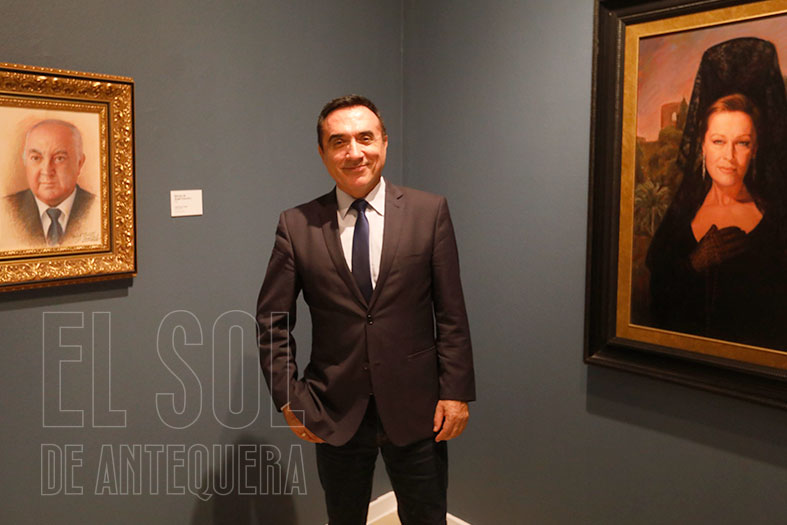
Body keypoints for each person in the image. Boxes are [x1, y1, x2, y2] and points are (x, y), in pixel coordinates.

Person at [257, 94, 475, 524]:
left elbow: (451, 311)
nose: (354, 152)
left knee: (427, 517)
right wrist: (288, 398)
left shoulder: (429, 212)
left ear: (384, 143)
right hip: (333, 408)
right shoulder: (296, 225)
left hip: (419, 408)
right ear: (322, 153)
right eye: (338, 142)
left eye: (365, 138)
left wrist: (455, 392)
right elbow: (272, 320)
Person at [646, 38, 787, 350]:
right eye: (719, 141)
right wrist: (693, 264)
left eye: (742, 143)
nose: (729, 157)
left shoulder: (777, 222)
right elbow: (657, 305)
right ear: (702, 144)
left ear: (756, 149)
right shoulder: (680, 217)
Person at [3, 119, 96, 247]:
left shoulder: (98, 209)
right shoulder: (5, 211)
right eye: (36, 158)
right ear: (25, 161)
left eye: (59, 158)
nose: (47, 170)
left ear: (79, 164)